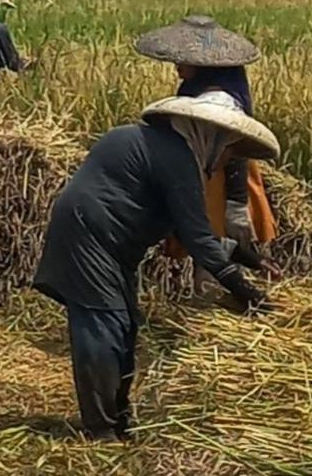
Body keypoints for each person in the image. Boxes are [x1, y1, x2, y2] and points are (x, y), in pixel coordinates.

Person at [33, 92, 280, 441]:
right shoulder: (176, 157)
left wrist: (254, 260)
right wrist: (250, 294)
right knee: (104, 327)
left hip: (109, 244)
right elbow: (199, 241)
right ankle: (101, 431)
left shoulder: (163, 148)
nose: (226, 160)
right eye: (228, 150)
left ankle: (118, 420)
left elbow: (191, 230)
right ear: (209, 136)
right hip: (89, 237)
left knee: (124, 326)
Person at [134, 16, 278, 289]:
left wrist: (236, 204)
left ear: (203, 66)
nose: (176, 65)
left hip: (220, 180)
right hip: (207, 172)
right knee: (208, 242)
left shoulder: (219, 102)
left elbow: (232, 150)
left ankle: (217, 306)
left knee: (213, 243)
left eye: (183, 61)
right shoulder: (195, 91)